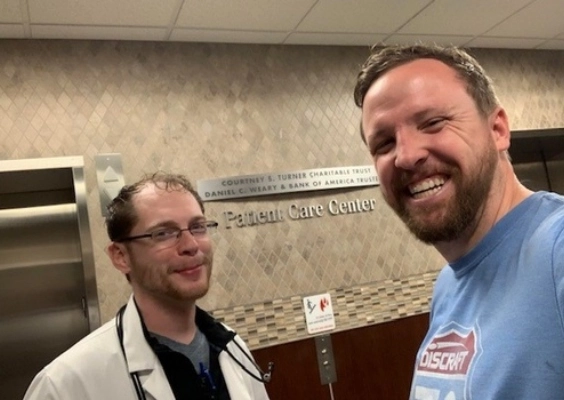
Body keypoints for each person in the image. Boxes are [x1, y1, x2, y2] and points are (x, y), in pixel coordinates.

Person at [354, 44, 564, 399]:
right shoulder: (448, 286)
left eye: (433, 123)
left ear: (497, 129)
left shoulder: (556, 247)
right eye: (384, 143)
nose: (406, 156)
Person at [24, 172, 271, 400]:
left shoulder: (233, 349)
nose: (191, 245)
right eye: (163, 233)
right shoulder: (65, 384)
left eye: (198, 227)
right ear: (121, 256)